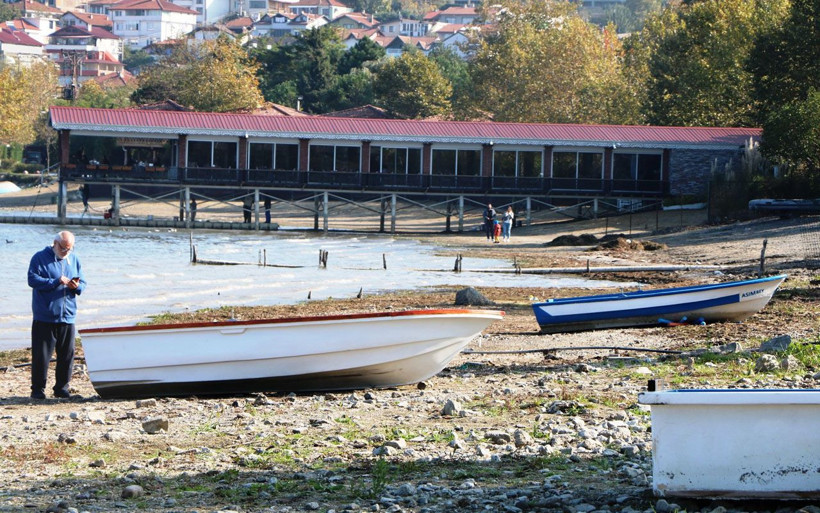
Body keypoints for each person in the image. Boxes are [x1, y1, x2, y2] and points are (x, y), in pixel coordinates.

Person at [27, 231, 86, 400]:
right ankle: (38, 390)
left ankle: (61, 388)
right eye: (63, 248)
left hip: (67, 316)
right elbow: (32, 280)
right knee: (41, 356)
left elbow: (83, 283)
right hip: (45, 316)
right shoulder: (39, 257)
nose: (65, 251)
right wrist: (55, 281)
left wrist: (76, 287)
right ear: (55, 243)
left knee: (67, 355)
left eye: (69, 249)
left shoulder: (74, 259)